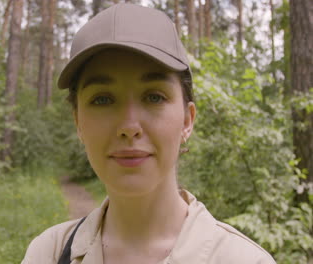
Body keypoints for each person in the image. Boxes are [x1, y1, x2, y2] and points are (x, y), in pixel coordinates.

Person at [21, 3, 276, 264]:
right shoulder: (48, 253)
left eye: (154, 96)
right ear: (78, 122)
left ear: (187, 120)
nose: (129, 126)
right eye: (102, 100)